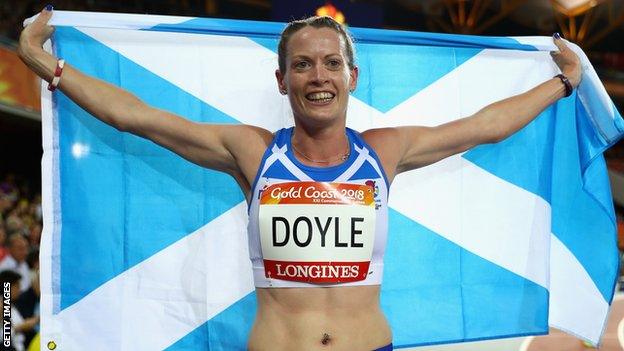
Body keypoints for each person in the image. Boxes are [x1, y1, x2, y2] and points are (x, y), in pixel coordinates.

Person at [18, 6, 581, 351]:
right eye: (303, 65)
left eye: (331, 63)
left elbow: (484, 126)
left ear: (352, 76)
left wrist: (563, 84)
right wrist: (47, 64)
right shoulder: (250, 152)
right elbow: (137, 116)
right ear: (282, 80)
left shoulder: (385, 152)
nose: (319, 76)